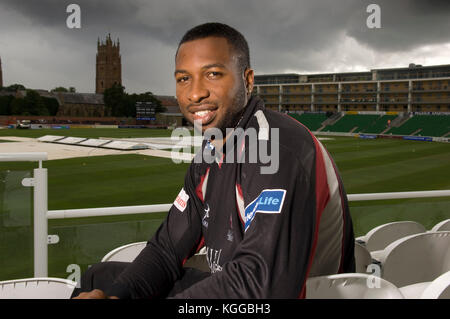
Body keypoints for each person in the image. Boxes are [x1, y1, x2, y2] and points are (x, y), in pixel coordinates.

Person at [73, 22, 355, 299]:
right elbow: (166, 250)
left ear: (247, 80)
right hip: (240, 284)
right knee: (101, 279)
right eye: (184, 78)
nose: (195, 93)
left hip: (284, 294)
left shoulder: (275, 147)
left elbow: (261, 285)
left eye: (213, 74)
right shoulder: (210, 155)